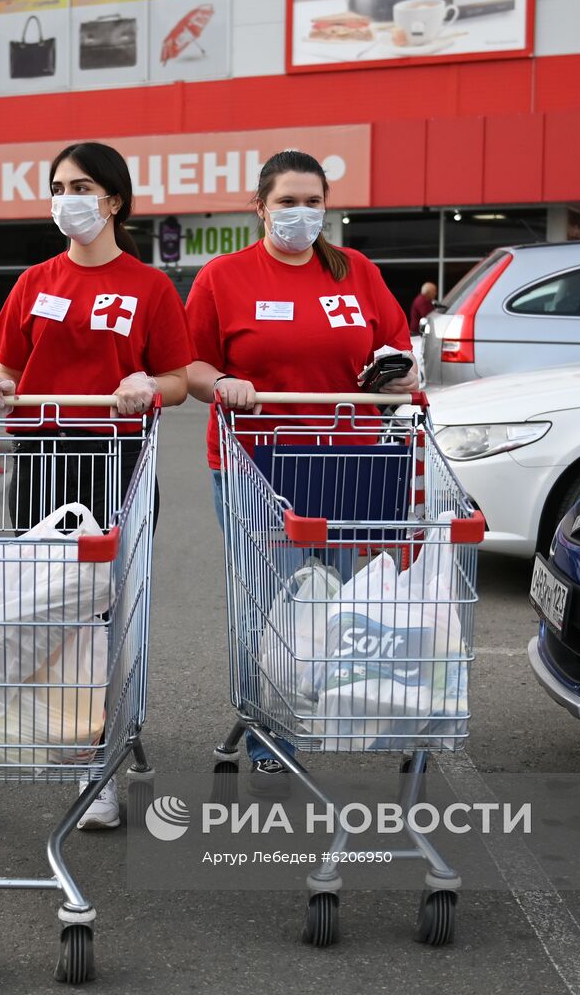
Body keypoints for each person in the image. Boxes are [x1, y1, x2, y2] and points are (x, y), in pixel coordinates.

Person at [0, 141, 192, 829]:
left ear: (115, 201)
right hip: (41, 462)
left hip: (115, 461)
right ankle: (63, 737)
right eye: (60, 185)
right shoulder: (35, 281)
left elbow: (179, 381)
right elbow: (6, 367)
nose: (69, 197)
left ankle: (96, 764)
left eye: (84, 186)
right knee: (48, 608)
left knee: (103, 613)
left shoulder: (149, 287)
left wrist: (144, 384)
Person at [185, 149, 417, 798]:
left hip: (351, 463)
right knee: (277, 607)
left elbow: (395, 353)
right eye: (287, 201)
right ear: (258, 208)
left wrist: (398, 375)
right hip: (259, 465)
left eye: (312, 201)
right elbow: (192, 365)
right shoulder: (223, 278)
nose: (301, 213)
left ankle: (345, 713)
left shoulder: (356, 273)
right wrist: (225, 381)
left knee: (352, 603)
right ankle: (273, 734)